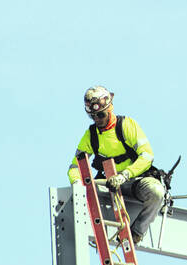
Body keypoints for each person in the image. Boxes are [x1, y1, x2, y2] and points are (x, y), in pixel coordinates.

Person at [67, 86, 165, 243]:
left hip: (134, 181)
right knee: (88, 188)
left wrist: (125, 175)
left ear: (109, 108)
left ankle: (136, 233)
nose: (97, 119)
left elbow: (147, 156)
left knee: (156, 192)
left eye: (100, 114)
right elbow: (75, 167)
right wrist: (77, 184)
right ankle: (93, 228)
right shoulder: (91, 135)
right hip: (108, 185)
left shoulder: (127, 125)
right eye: (93, 116)